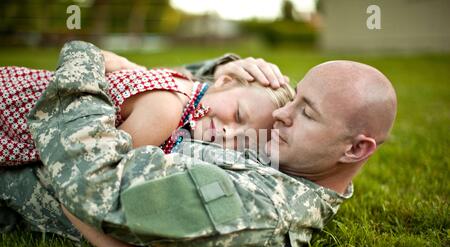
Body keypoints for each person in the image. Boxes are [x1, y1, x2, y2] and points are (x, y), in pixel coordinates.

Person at [1, 41, 397, 247]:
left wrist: (81, 63)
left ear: (355, 150)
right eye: (293, 98)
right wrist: (218, 75)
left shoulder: (258, 209)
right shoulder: (292, 154)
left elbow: (91, 183)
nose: (281, 115)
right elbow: (178, 102)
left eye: (305, 112)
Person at [0, 47, 293, 166]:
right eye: (239, 115)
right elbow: (98, 174)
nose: (230, 131)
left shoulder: (184, 85)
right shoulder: (165, 110)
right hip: (11, 114)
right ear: (225, 79)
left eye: (243, 140)